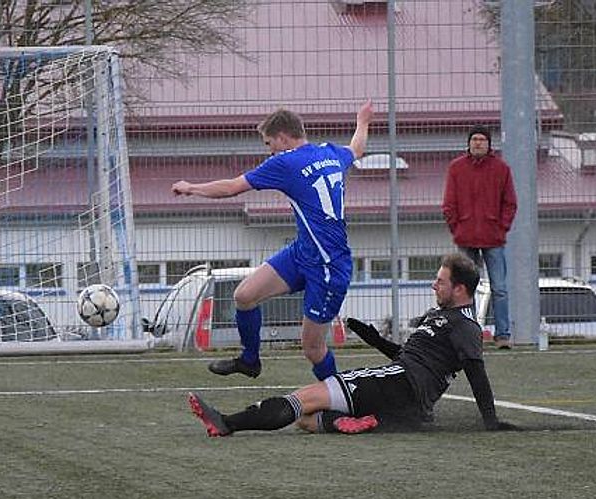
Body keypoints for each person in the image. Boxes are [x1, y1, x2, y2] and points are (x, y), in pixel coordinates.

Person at [187, 253, 517, 436]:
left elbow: (476, 372)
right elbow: (411, 356)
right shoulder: (442, 316)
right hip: (404, 395)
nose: (434, 285)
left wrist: (490, 419)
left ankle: (227, 423)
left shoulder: (465, 326)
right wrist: (374, 339)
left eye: (441, 282)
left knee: (305, 398)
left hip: (401, 385)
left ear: (460, 289)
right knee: (304, 419)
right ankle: (361, 421)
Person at [172, 100, 374, 380]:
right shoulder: (330, 153)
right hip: (303, 252)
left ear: (283, 138)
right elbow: (356, 149)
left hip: (329, 266)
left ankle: (339, 397)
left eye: (269, 143)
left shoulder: (285, 162)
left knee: (313, 349)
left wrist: (191, 187)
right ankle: (249, 361)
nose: (269, 150)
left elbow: (232, 187)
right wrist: (362, 121)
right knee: (244, 296)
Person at [442, 125, 517, 349]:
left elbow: (510, 203)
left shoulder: (501, 169)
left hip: (493, 239)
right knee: (466, 289)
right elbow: (449, 203)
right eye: (474, 139)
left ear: (489, 144)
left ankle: (503, 335)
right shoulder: (457, 168)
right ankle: (471, 335)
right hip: (465, 238)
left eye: (482, 139)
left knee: (499, 288)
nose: (478, 143)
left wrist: (501, 228)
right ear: (469, 143)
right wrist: (457, 228)